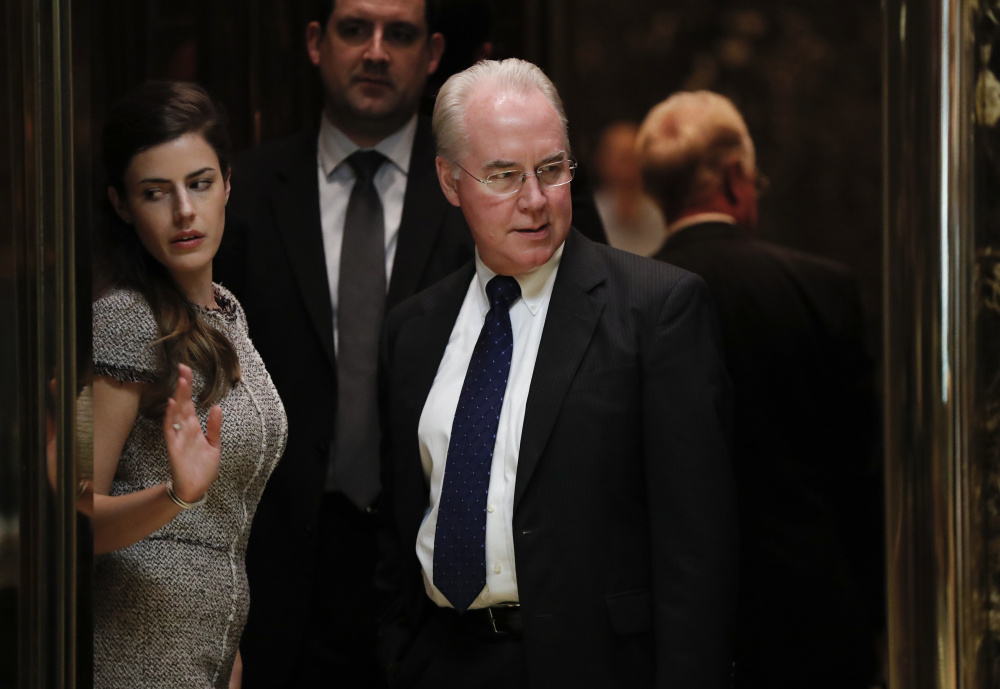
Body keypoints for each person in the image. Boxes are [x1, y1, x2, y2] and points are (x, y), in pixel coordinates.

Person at [213, 1, 606, 685]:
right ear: (315, 42)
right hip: (283, 579)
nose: (375, 51)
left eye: (399, 34)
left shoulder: (504, 181)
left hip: (454, 584)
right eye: (353, 29)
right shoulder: (240, 195)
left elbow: (587, 334)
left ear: (431, 55)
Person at [376, 58, 737, 689]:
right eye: (503, 176)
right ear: (449, 180)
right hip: (443, 661)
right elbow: (400, 519)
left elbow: (697, 557)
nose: (536, 200)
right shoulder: (414, 330)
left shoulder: (656, 311)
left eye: (551, 170)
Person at [638, 90, 883, 689]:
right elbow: (861, 474)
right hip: (813, 620)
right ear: (736, 176)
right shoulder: (822, 289)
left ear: (656, 191)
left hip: (678, 631)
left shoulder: (627, 304)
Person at [91, 81, 287, 689]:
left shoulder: (227, 312)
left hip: (207, 655)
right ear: (122, 205)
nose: (183, 211)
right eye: (156, 192)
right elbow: (70, 517)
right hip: (133, 656)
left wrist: (226, 649)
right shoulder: (122, 318)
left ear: (227, 182)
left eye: (199, 183)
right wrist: (173, 495)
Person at [592, 120, 666, 256]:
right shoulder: (587, 217)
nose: (631, 167)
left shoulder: (659, 215)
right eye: (624, 158)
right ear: (602, 161)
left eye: (636, 157)